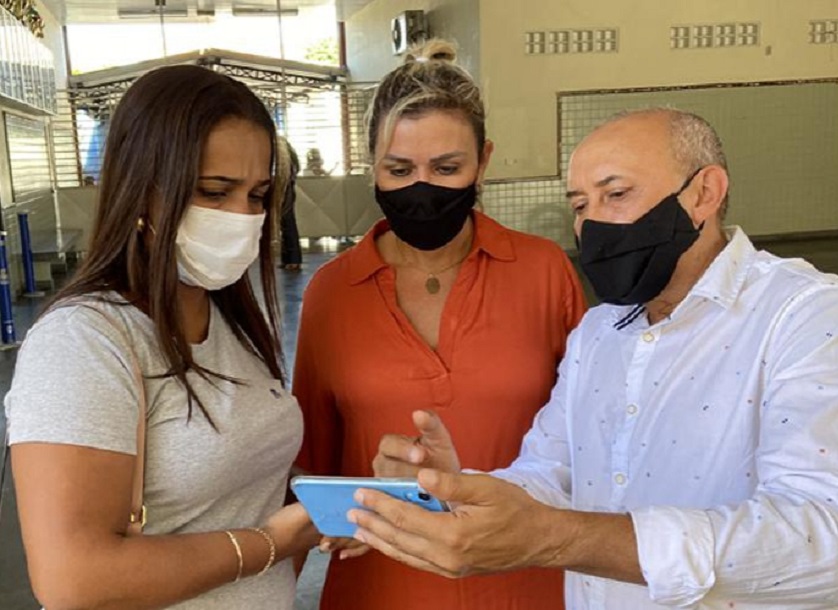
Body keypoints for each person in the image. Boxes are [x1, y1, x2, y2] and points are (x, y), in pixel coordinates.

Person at [350, 108, 838, 609]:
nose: (593, 224)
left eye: (616, 195)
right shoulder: (599, 332)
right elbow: (552, 475)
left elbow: (823, 539)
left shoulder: (806, 316)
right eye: (581, 206)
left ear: (703, 193)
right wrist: (452, 489)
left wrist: (561, 540)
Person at [3, 65, 352, 610]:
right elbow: (74, 578)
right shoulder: (84, 343)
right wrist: (271, 544)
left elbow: (239, 478)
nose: (242, 217)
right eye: (214, 192)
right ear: (140, 191)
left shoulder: (231, 319)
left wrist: (348, 499)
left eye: (258, 195)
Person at [292, 39, 587, 610]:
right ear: (372, 166)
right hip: (380, 588)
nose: (422, 188)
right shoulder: (332, 292)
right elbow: (312, 461)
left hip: (524, 584)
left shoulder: (543, 271)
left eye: (447, 168)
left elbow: (591, 435)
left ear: (484, 161)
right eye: (399, 169)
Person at [279, 137, 303, 271]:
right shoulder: (283, 145)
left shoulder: (279, 146)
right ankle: (289, 259)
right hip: (286, 187)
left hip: (284, 188)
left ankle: (293, 259)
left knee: (287, 223)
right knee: (286, 224)